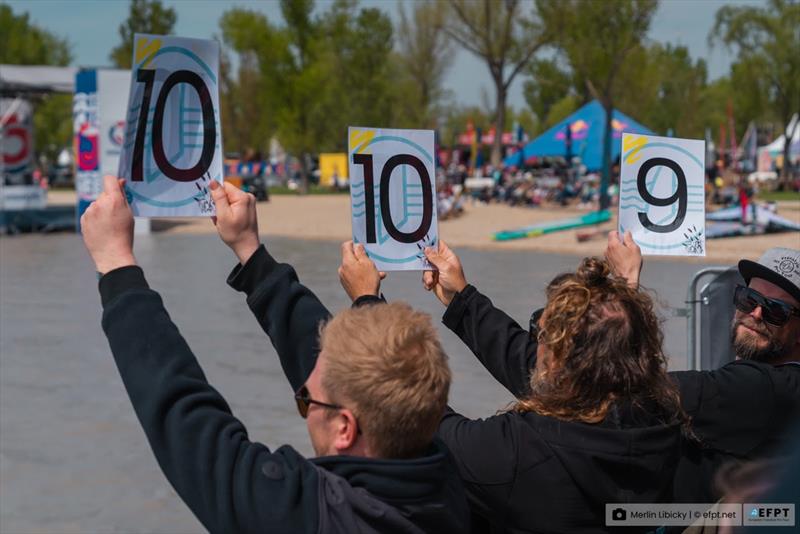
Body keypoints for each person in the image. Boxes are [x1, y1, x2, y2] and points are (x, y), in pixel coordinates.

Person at [229, 206, 690, 530]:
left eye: (541, 334)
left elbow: (402, 408)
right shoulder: (667, 418)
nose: (533, 345)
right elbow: (542, 361)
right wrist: (461, 299)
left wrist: (366, 301)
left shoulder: (518, 454)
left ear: (558, 366)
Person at [79, 176, 470, 534]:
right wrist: (251, 255)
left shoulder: (313, 518)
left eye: (306, 400)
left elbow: (186, 420)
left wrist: (116, 265)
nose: (305, 398)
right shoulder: (448, 479)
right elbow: (336, 362)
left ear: (345, 429)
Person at [421, 234, 800, 502]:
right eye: (748, 297)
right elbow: (600, 384)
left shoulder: (763, 391)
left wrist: (626, 288)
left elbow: (600, 390)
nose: (755, 313)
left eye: (776, 310)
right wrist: (462, 300)